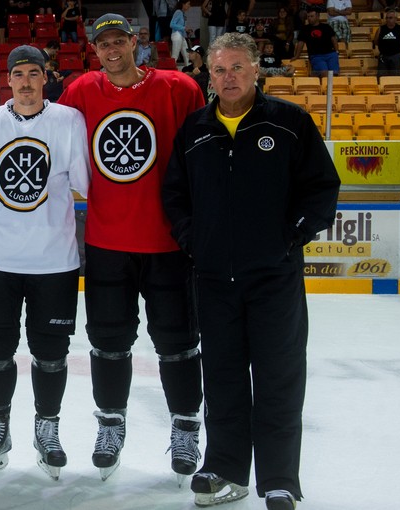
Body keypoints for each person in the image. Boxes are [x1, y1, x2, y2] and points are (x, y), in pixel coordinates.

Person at [163, 32, 340, 510]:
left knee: (278, 377)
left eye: (237, 67)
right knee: (222, 378)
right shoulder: (195, 129)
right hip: (214, 279)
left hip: (273, 278)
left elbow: (322, 190)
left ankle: (280, 479)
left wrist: (289, 237)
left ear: (256, 70)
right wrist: (191, 239)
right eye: (219, 70)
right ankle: (224, 468)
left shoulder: (289, 123)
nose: (228, 77)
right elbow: (174, 195)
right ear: (210, 75)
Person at [55, 13, 205, 483]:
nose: (112, 49)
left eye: (120, 41)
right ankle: (111, 425)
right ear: (94, 49)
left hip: (166, 243)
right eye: (104, 44)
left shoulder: (179, 88)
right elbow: (42, 127)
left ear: (136, 43)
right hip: (106, 243)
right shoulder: (80, 92)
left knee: (178, 342)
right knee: (108, 341)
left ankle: (185, 427)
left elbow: (202, 152)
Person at [0, 44, 90, 481]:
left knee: (51, 353)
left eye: (33, 73)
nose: (25, 82)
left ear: (45, 78)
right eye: (17, 74)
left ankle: (47, 428)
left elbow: (85, 184)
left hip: (54, 261)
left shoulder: (68, 121)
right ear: (7, 81)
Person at [292, 7, 339, 77]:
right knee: (325, 74)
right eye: (308, 16)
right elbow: (300, 43)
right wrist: (296, 56)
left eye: (312, 16)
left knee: (334, 74)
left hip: (330, 54)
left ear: (317, 16)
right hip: (316, 56)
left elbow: (333, 39)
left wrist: (336, 51)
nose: (309, 18)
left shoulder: (326, 27)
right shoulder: (305, 29)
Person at [375, 8, 400, 77]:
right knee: (381, 77)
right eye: (387, 18)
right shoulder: (381, 28)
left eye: (390, 18)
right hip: (383, 55)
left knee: (396, 77)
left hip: (395, 56)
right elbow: (376, 41)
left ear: (395, 19)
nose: (388, 19)